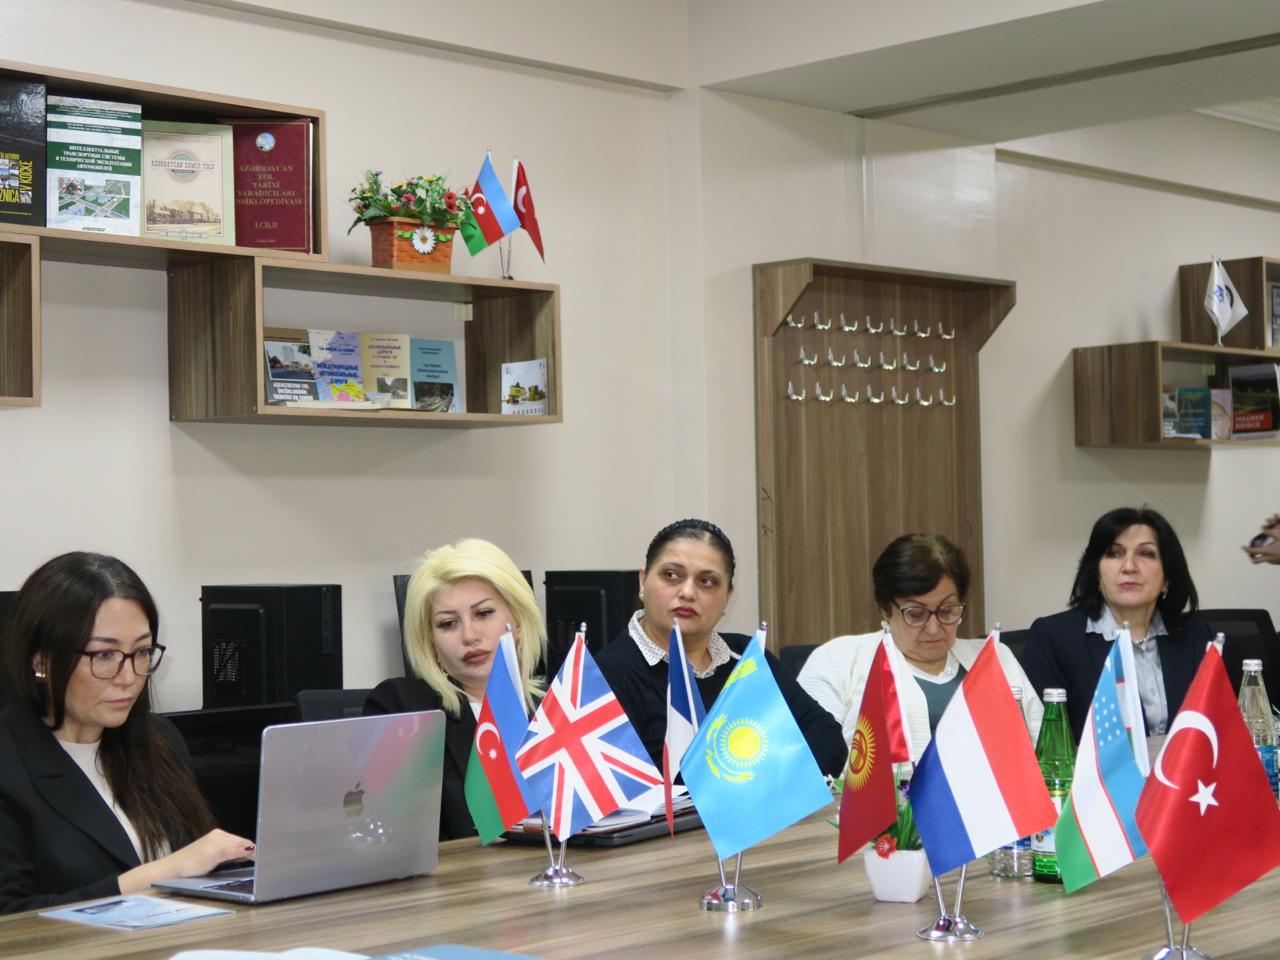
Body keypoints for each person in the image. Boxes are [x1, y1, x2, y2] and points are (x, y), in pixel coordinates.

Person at [0, 552, 254, 916]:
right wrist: (160, 875)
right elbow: (11, 919)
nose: (129, 677)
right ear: (42, 661)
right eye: (104, 655)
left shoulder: (159, 740)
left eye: (142, 651)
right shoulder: (10, 762)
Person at [595, 519, 847, 777]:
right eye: (671, 575)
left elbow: (827, 739)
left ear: (728, 595)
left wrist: (764, 784)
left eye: (707, 581)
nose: (688, 592)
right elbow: (628, 786)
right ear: (642, 581)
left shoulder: (746, 656)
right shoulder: (603, 675)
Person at [798, 534, 1041, 761]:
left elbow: (1043, 751)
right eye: (916, 614)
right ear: (885, 610)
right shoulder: (837, 660)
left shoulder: (996, 657)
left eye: (947, 611)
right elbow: (810, 760)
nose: (934, 629)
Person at [364, 538, 546, 841]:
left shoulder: (557, 707)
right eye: (448, 623)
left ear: (518, 621)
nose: (469, 635)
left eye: (483, 613)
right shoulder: (405, 708)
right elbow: (387, 835)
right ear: (429, 641)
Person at [1022, 506, 1209, 742]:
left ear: (1167, 578)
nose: (1129, 567)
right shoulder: (1054, 639)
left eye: (1146, 554)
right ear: (1096, 573)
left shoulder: (1198, 637)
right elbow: (1047, 744)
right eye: (1114, 553)